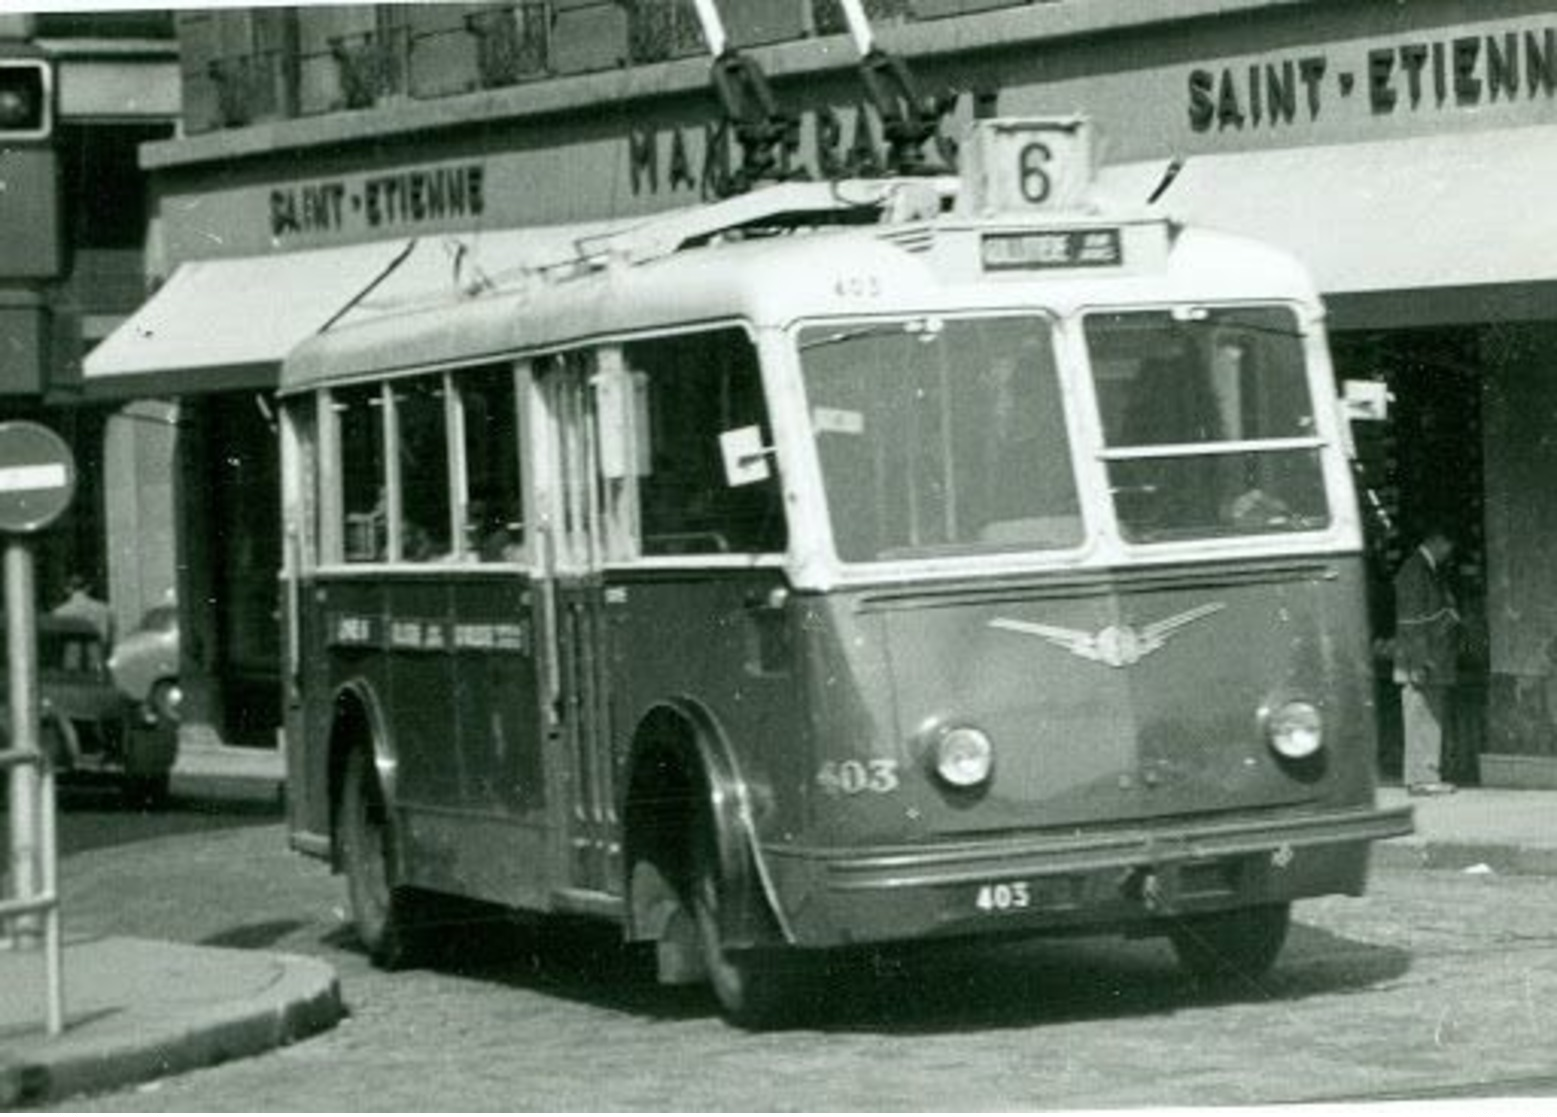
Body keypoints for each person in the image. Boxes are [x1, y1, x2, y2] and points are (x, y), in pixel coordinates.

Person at [1393, 528, 1462, 795]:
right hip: (1423, 659)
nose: (1449, 553)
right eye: (1448, 546)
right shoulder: (1415, 570)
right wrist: (1422, 661)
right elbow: (1412, 621)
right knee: (1421, 715)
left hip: (1429, 657)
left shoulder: (1423, 569)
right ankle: (1422, 778)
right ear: (1436, 540)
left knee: (1427, 715)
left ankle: (1425, 775)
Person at [53, 573, 115, 648]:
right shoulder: (103, 609)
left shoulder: (59, 613)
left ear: (67, 589)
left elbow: (57, 642)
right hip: (97, 655)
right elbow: (106, 639)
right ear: (88, 588)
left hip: (71, 656)